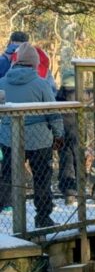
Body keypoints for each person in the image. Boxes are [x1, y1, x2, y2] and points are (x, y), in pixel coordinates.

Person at [0, 43, 64, 228]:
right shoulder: (41, 84)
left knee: (7, 176)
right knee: (42, 178)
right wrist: (58, 135)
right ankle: (43, 217)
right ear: (35, 63)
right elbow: (52, 112)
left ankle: (5, 210)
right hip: (40, 139)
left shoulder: (2, 83)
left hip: (9, 136)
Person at [55, 69, 81, 205]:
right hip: (78, 132)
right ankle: (80, 188)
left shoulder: (58, 95)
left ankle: (69, 192)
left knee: (66, 161)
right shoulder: (82, 94)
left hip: (62, 133)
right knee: (79, 160)